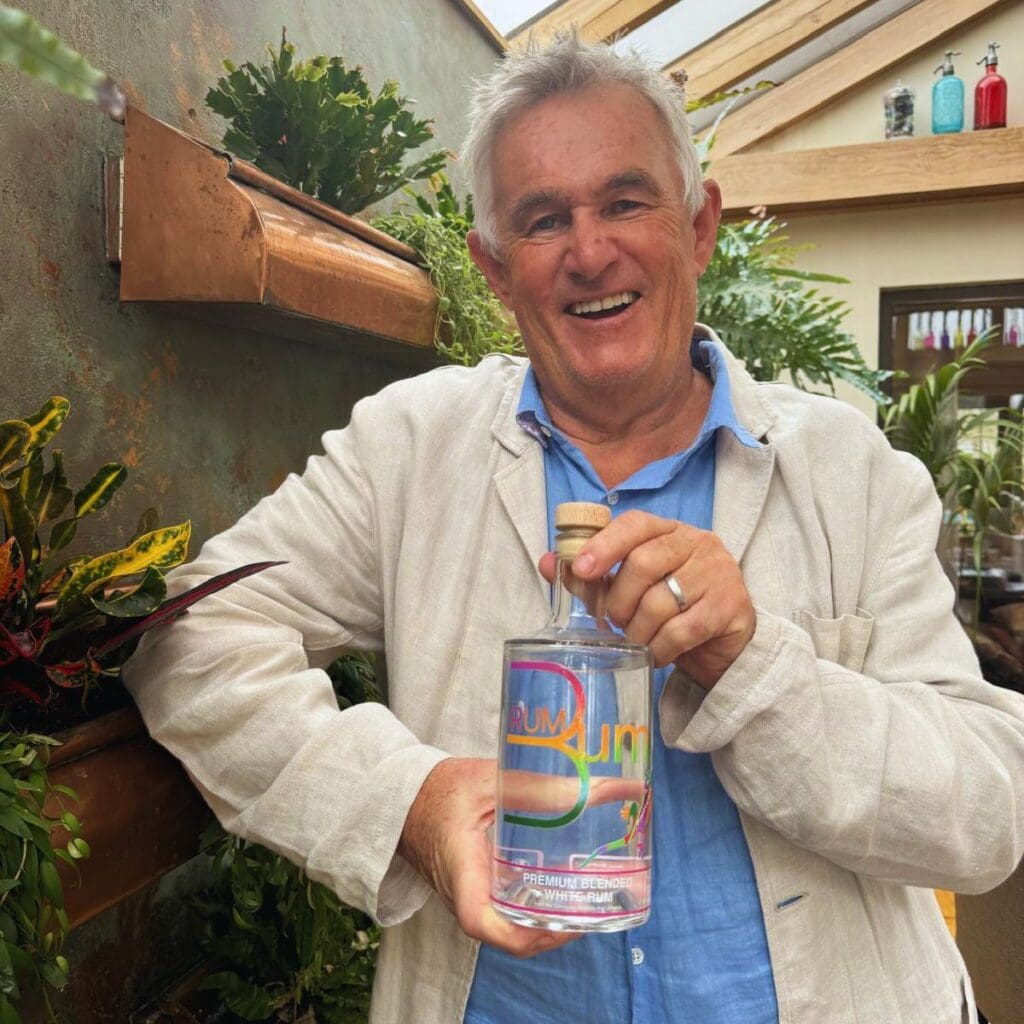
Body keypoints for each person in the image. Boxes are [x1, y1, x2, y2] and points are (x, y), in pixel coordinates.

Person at [124, 33, 1024, 1024]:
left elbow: (984, 815)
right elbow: (190, 638)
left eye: (625, 201)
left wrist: (748, 663)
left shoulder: (849, 472)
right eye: (543, 219)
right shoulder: (411, 449)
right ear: (496, 269)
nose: (589, 250)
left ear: (698, 227)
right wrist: (408, 803)